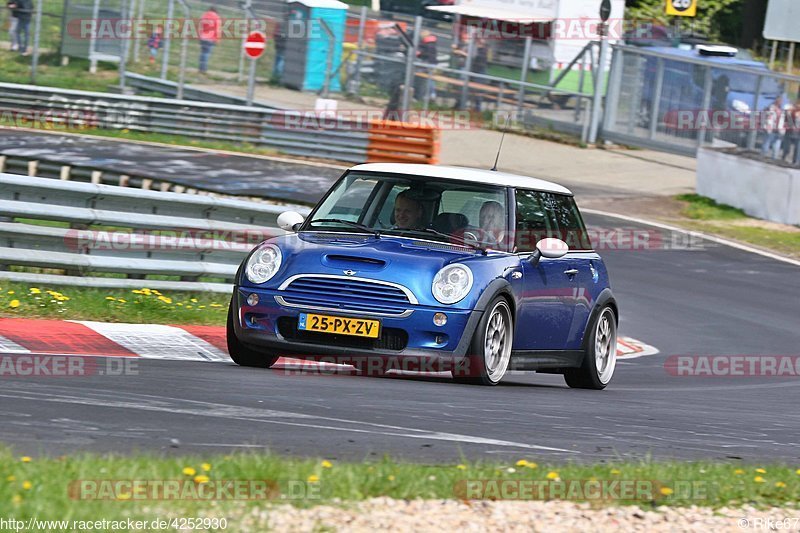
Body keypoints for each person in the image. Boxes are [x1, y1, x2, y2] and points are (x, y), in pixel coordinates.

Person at [414, 30, 437, 101]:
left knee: (421, 78)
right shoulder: (432, 43)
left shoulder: (426, 44)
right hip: (432, 63)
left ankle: (419, 95)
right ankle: (432, 93)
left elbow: (426, 54)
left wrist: (420, 54)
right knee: (430, 79)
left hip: (426, 63)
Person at [761, 95, 786, 160]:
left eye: (781, 101)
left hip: (778, 131)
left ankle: (773, 159)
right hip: (770, 130)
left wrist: (782, 129)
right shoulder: (771, 108)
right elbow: (767, 117)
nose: (780, 102)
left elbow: (782, 121)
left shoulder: (781, 110)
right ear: (776, 100)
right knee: (766, 144)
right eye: (779, 100)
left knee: (776, 147)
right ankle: (762, 157)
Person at [198, 5, 221, 74]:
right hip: (210, 38)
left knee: (202, 53)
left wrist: (200, 36)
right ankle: (203, 69)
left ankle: (200, 67)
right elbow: (217, 29)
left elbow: (200, 27)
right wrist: (217, 39)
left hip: (203, 37)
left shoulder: (204, 15)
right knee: (206, 54)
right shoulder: (216, 17)